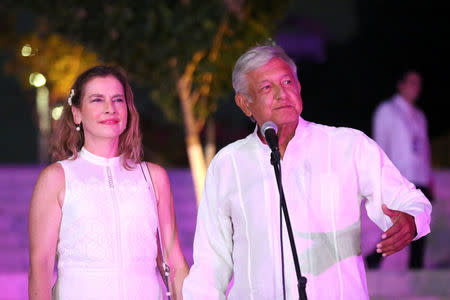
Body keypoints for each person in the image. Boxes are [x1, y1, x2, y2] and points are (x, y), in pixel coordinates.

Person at [182, 45, 432, 299]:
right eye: (267, 87)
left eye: (288, 81)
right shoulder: (228, 165)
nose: (282, 94)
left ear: (299, 88)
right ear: (245, 104)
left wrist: (411, 221)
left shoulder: (348, 146)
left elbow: (410, 201)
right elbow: (210, 266)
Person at [28, 65, 189, 299]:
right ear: (77, 113)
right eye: (96, 100)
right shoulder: (57, 178)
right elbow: (40, 265)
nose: (109, 109)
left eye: (117, 100)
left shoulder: (153, 177)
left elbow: (174, 262)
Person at [366, 70, 433, 269]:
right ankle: (375, 258)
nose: (416, 88)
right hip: (398, 178)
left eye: (418, 83)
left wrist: (428, 177)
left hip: (419, 177)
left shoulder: (419, 116)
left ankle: (416, 269)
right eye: (412, 82)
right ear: (401, 84)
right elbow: (379, 144)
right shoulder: (387, 111)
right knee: (397, 223)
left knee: (419, 224)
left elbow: (424, 148)